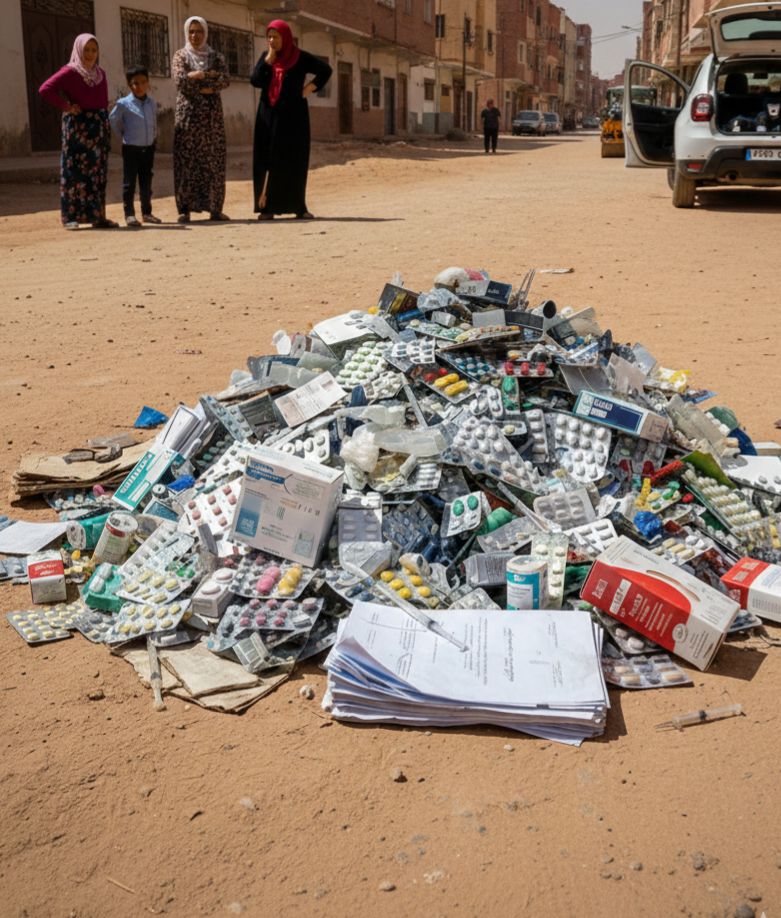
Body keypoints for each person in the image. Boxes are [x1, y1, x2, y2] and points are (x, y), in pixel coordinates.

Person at [250, 20, 332, 220]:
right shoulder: (266, 58)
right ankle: (266, 207)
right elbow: (255, 81)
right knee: (267, 158)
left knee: (294, 160)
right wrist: (268, 60)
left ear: (285, 37)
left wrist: (308, 89)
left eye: (275, 36)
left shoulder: (300, 58)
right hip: (268, 115)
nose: (271, 40)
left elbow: (325, 70)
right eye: (269, 36)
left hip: (294, 117)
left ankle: (298, 206)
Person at [38, 34, 116, 229]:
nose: (90, 54)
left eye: (93, 50)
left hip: (98, 126)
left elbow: (102, 100)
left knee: (97, 173)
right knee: (74, 172)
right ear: (78, 50)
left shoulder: (101, 74)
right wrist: (66, 106)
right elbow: (45, 89)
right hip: (77, 127)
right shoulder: (70, 71)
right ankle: (70, 218)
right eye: (86, 50)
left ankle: (97, 216)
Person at [172, 16, 230, 223]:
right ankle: (184, 209)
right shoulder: (180, 55)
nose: (195, 36)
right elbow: (180, 81)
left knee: (213, 160)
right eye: (191, 31)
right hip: (188, 117)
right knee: (187, 160)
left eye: (199, 31)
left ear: (205, 33)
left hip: (211, 119)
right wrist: (204, 82)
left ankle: (215, 208)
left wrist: (202, 78)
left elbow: (225, 80)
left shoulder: (216, 56)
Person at [109, 67, 160, 227]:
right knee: (129, 182)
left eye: (143, 82)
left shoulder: (152, 103)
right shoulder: (123, 104)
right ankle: (129, 214)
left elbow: (153, 122)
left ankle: (147, 212)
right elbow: (113, 120)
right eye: (135, 83)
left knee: (146, 181)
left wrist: (152, 139)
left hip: (148, 148)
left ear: (148, 83)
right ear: (129, 85)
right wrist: (123, 135)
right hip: (131, 148)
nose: (140, 86)